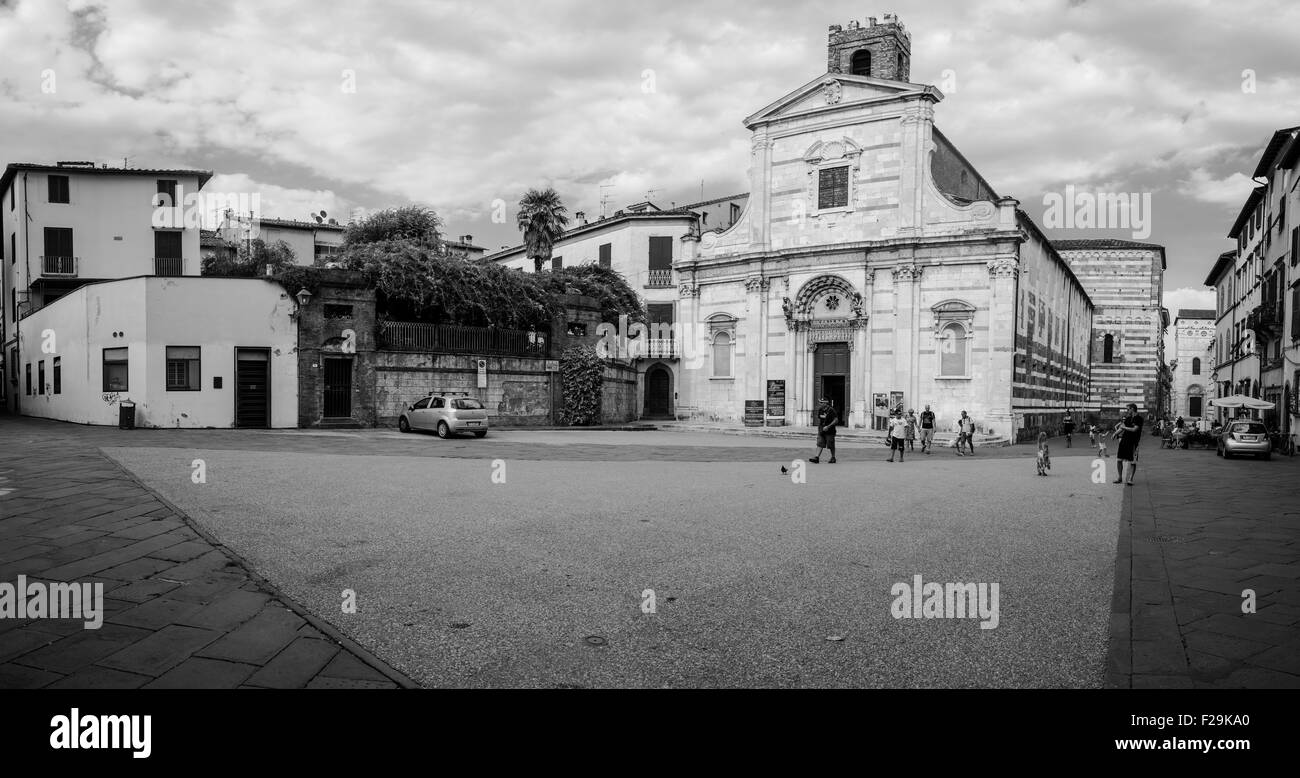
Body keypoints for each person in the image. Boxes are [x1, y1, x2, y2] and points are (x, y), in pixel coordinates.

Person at [1113, 403, 1143, 485]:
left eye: (1128, 409)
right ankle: (1119, 478)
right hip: (1124, 441)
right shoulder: (1128, 418)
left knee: (1133, 462)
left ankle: (1130, 479)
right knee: (1119, 460)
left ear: (1132, 409)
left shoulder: (1139, 419)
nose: (1127, 411)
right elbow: (1121, 428)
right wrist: (1115, 434)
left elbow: (1134, 429)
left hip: (1133, 443)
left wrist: (1124, 428)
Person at [809, 397, 838, 464]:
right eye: (820, 402)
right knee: (820, 443)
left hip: (830, 430)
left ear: (825, 403)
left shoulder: (831, 410)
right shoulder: (820, 410)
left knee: (831, 445)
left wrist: (828, 426)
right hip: (822, 430)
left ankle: (833, 457)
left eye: (821, 402)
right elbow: (821, 418)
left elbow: (836, 420)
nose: (820, 403)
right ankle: (816, 457)